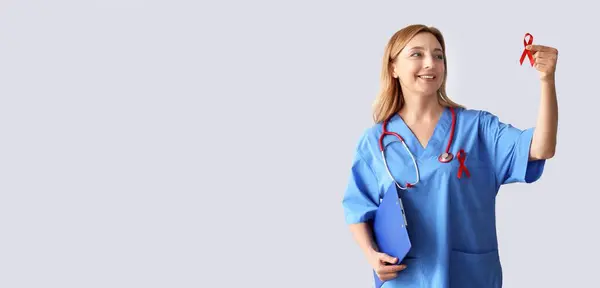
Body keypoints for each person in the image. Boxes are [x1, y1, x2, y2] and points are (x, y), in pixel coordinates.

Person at [341, 24, 558, 287]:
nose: (430, 63)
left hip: (469, 277)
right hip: (406, 279)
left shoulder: (477, 128)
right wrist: (371, 255)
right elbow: (357, 208)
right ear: (393, 68)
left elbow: (541, 148)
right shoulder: (375, 141)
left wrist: (546, 81)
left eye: (438, 55)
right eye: (417, 54)